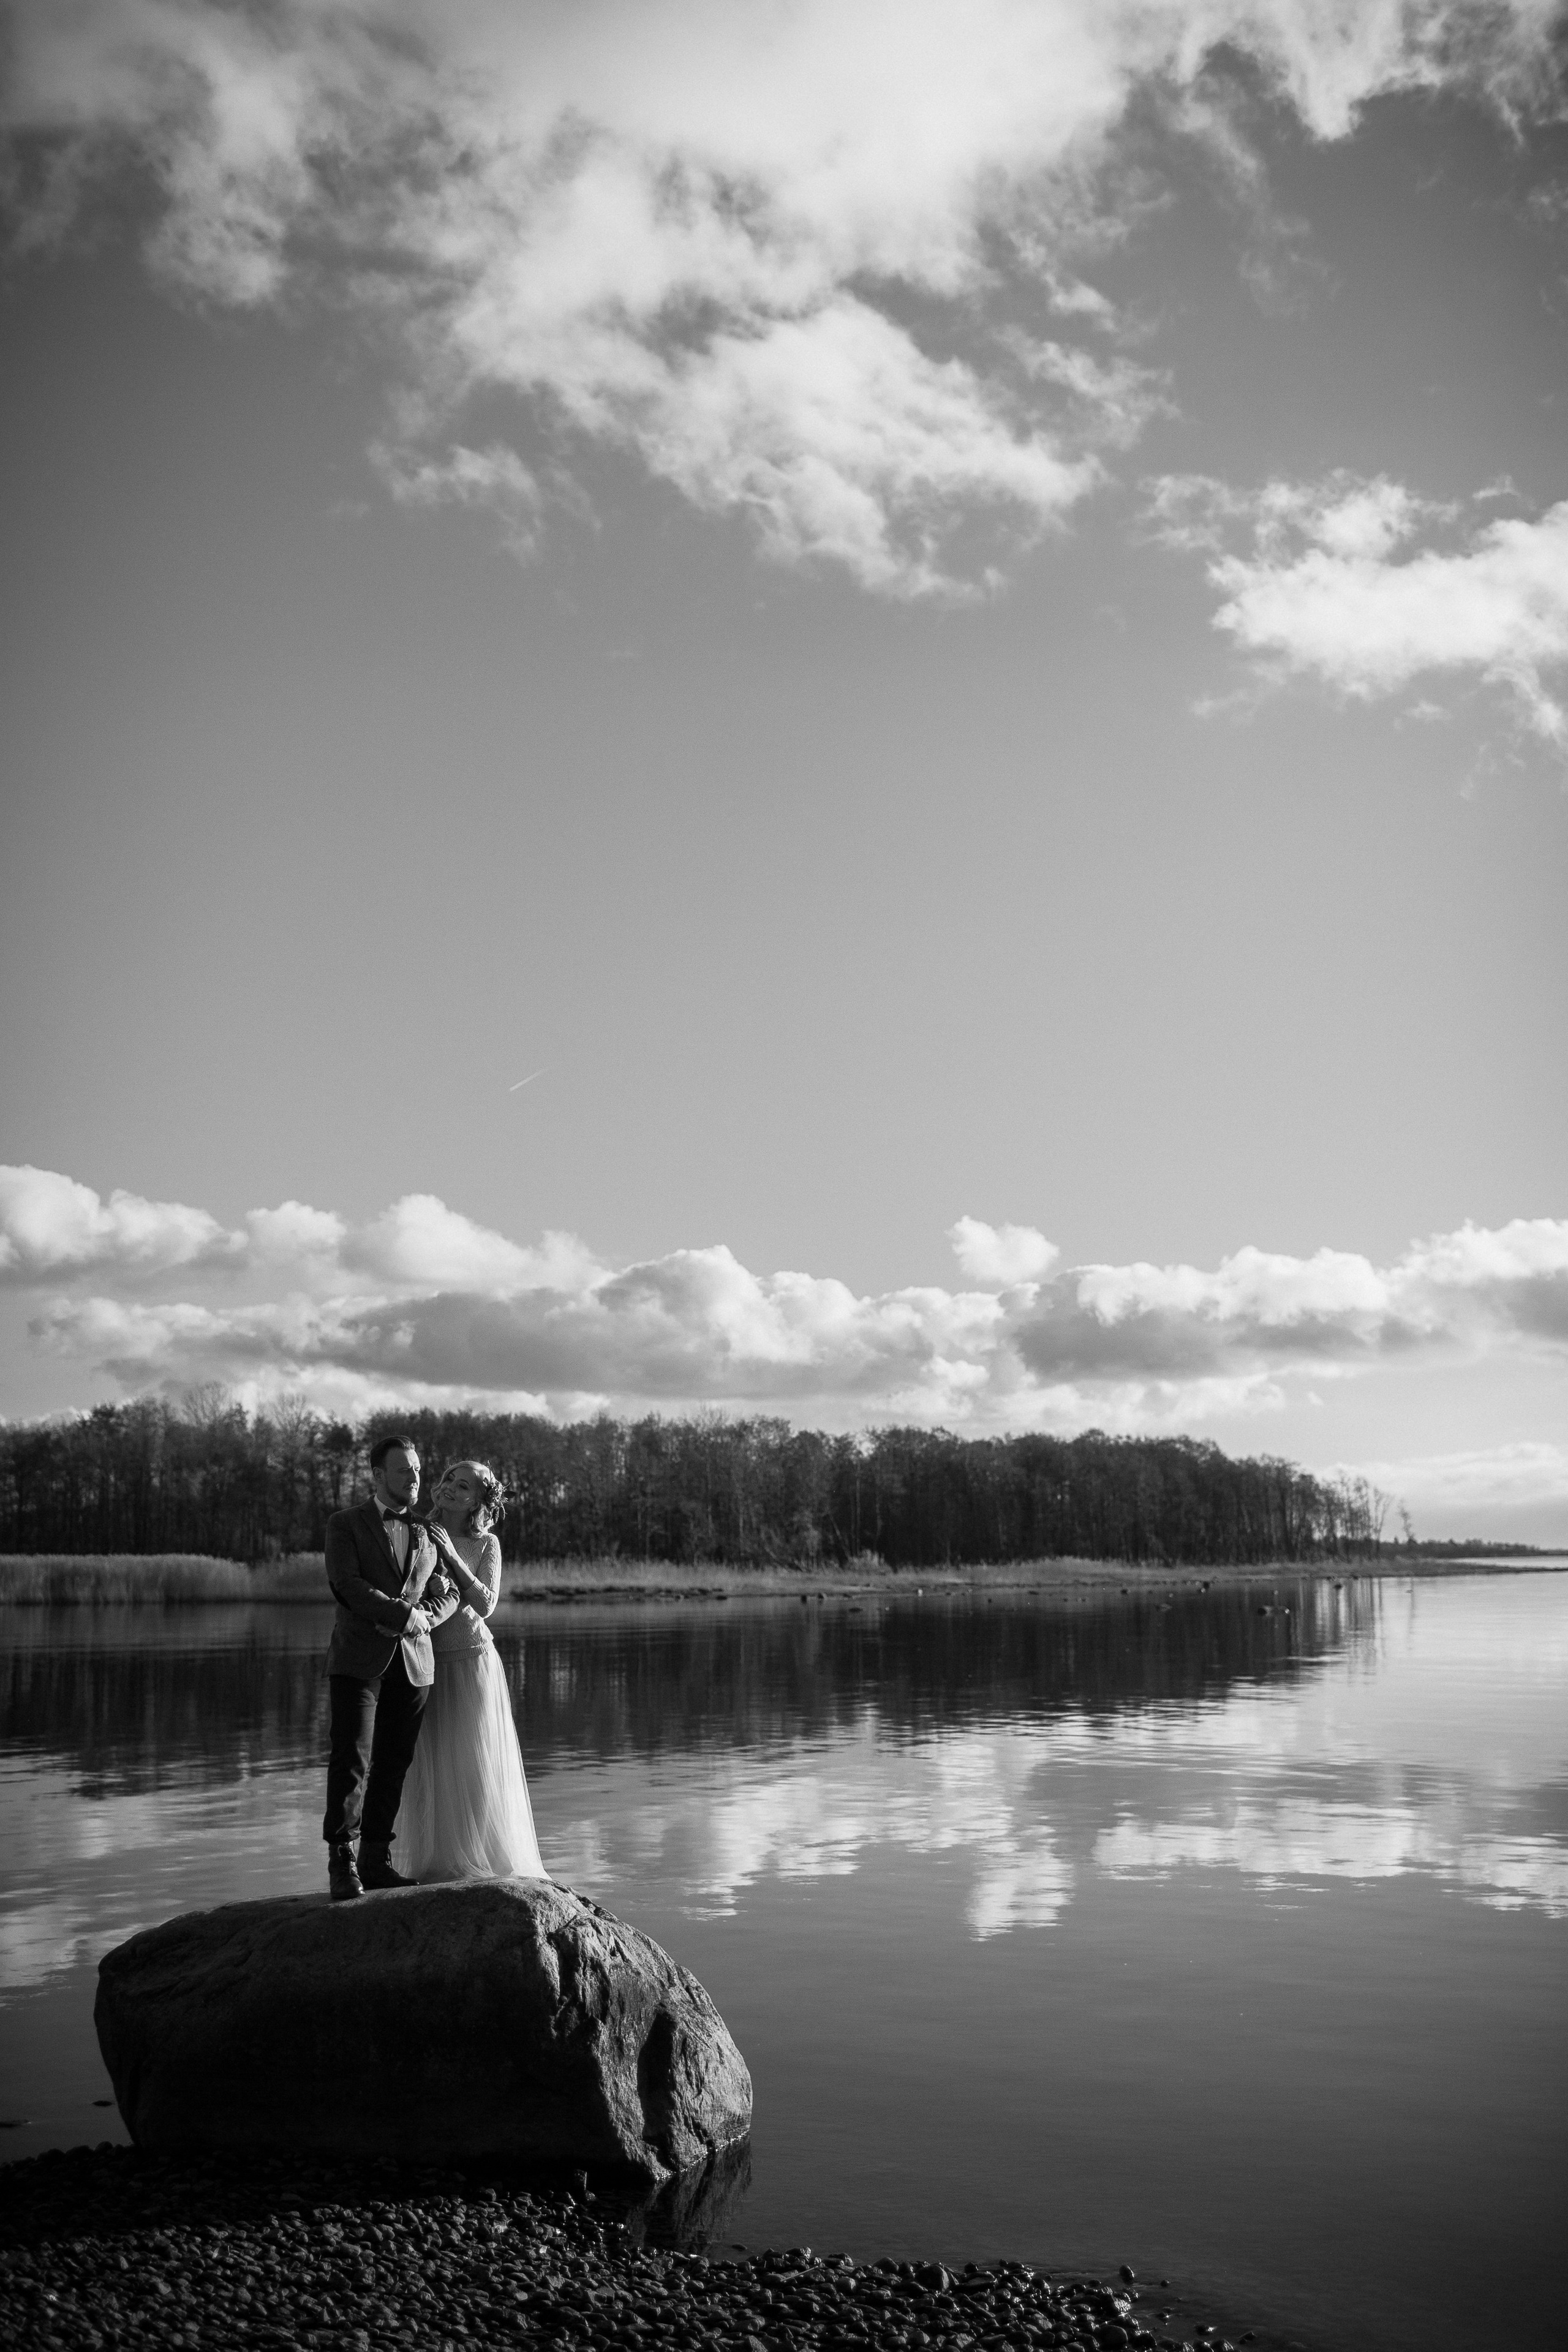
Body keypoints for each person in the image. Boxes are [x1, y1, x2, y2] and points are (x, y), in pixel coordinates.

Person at [322, 1433, 459, 1901]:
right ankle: (342, 1862)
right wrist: (402, 1614)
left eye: (418, 1470)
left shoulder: (428, 1531)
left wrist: (422, 1619)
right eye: (405, 1470)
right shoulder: (345, 1524)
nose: (415, 1478)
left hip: (415, 1661)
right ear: (379, 1475)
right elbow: (346, 1584)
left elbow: (449, 1592)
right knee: (351, 1760)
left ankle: (375, 1861)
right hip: (358, 1660)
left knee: (394, 1763)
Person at [399, 1458, 548, 1883]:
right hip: (426, 1663)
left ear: (477, 1502)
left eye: (463, 1486)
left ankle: (484, 1862)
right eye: (450, 1478)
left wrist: (450, 1553)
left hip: (473, 1663)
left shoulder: (487, 1545)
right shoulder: (415, 1530)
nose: (450, 1486)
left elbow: (486, 1604)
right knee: (431, 1768)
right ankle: (438, 1863)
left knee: (473, 1765)